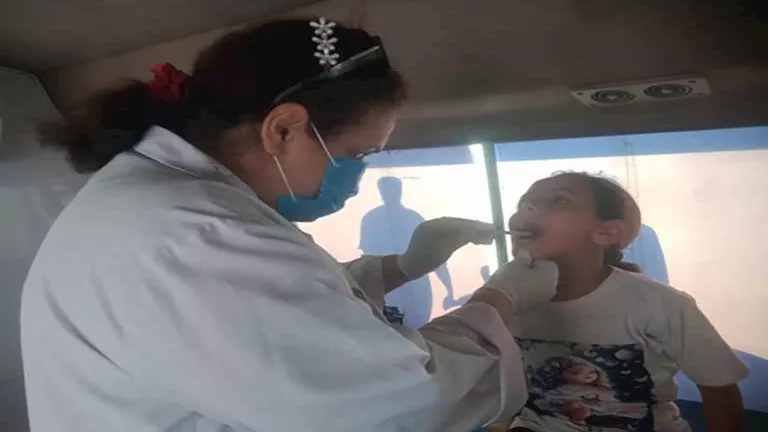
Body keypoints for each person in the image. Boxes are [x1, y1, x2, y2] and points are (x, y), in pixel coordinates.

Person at [20, 19, 559, 432]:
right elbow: (403, 406)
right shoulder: (199, 235)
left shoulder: (164, 203)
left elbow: (286, 310)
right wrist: (499, 300)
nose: (358, 176)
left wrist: (402, 267)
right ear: (283, 129)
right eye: (359, 153)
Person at [504, 172, 748, 432]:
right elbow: (503, 386)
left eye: (558, 200)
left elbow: (720, 392)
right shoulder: (506, 300)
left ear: (606, 232)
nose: (528, 209)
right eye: (524, 203)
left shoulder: (661, 304)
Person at [360, 176, 464, 327]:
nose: (391, 194)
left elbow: (436, 255)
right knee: (391, 328)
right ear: (381, 192)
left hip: (417, 285)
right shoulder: (372, 219)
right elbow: (366, 258)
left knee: (417, 328)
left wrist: (449, 288)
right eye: (387, 190)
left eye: (394, 189)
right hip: (387, 284)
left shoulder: (413, 218)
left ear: (400, 190)